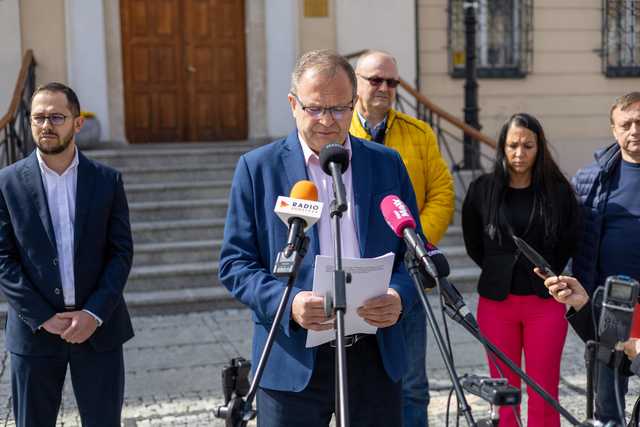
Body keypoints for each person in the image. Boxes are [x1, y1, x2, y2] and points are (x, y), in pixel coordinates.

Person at [218, 49, 420, 427]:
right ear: (294, 105)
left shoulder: (386, 163)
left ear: (353, 103)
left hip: (373, 356)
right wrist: (290, 303)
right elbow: (234, 264)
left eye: (340, 108)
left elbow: (415, 253)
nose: (328, 121)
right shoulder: (257, 168)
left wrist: (398, 296)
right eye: (315, 109)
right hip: (293, 358)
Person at [0, 82, 134, 427]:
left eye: (57, 117)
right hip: (35, 332)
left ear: (77, 123)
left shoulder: (107, 180)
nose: (47, 125)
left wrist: (94, 312)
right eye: (39, 118)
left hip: (99, 330)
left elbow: (120, 253)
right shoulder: (7, 183)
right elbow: (3, 258)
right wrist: (41, 315)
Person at [349, 50, 455, 427]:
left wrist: (415, 243)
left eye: (392, 82)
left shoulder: (419, 132)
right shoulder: (340, 136)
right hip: (355, 274)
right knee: (353, 384)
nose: (384, 88)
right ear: (356, 83)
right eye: (375, 80)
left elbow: (442, 193)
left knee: (412, 386)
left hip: (406, 275)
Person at [461, 113, 580, 426]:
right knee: (504, 392)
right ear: (502, 147)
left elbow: (569, 240)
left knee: (544, 390)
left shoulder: (559, 191)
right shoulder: (481, 189)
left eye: (528, 145)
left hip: (546, 305)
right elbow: (474, 242)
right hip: (497, 303)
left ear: (539, 148)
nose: (519, 153)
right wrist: (498, 268)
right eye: (512, 145)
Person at [572, 91, 640, 424]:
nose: (634, 131)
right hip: (610, 308)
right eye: (626, 124)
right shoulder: (590, 180)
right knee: (608, 404)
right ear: (613, 129)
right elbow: (573, 237)